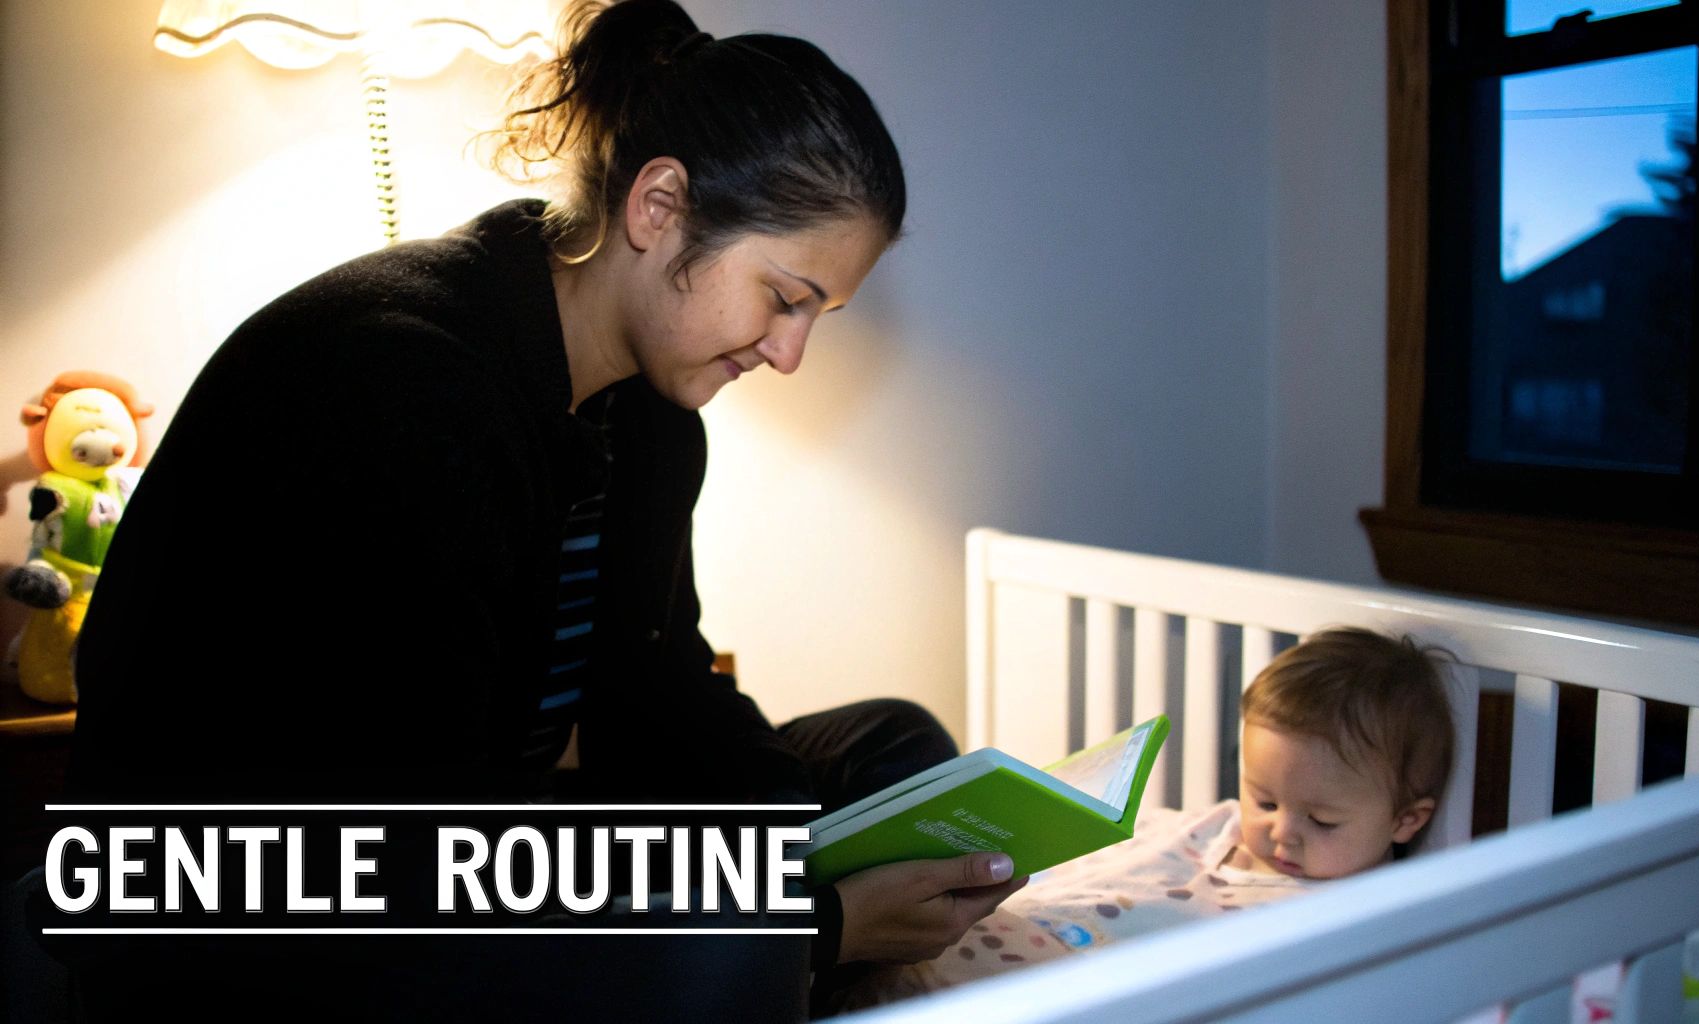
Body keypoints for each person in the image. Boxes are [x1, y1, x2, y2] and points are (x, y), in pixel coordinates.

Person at [55, 0, 1020, 1016]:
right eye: (783, 297)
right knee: (729, 933)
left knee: (892, 755)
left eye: (814, 315)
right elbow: (415, 845)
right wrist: (816, 919)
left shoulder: (649, 415)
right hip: (270, 898)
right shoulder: (402, 382)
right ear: (658, 207)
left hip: (453, 835)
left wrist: (830, 841)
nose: (788, 354)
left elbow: (652, 685)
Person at [829, 627, 1456, 1008]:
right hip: (895, 980)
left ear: (1407, 819)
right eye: (1263, 799)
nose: (1280, 831)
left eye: (1322, 821)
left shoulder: (1377, 922)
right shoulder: (1205, 828)